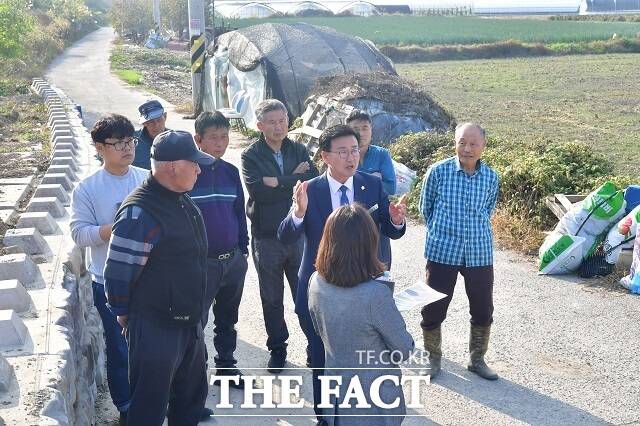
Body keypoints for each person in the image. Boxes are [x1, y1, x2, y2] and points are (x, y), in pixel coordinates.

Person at [278, 124, 407, 423]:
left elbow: (388, 230)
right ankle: (326, 416)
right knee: (323, 357)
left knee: (367, 360)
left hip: (367, 291)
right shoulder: (309, 189)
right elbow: (284, 236)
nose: (351, 157)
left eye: (355, 150)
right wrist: (298, 213)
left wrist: (396, 222)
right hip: (323, 293)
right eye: (343, 152)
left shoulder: (371, 185)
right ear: (325, 156)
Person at [104, 130, 215, 425]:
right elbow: (117, 274)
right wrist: (126, 316)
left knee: (190, 403)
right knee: (149, 410)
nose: (198, 168)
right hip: (155, 329)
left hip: (188, 325)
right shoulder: (140, 212)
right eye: (193, 163)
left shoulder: (181, 200)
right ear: (171, 167)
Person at [70, 114, 148, 426]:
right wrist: (113, 229)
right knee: (119, 348)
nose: (128, 148)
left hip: (148, 279)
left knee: (153, 346)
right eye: (119, 143)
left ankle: (154, 400)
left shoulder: (146, 179)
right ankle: (127, 407)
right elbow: (79, 234)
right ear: (101, 148)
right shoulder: (87, 189)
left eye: (131, 141)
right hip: (109, 281)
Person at [308, 204, 414, 425]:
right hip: (374, 404)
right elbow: (403, 349)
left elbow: (319, 330)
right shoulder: (375, 294)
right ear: (369, 242)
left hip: (336, 398)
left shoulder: (315, 282)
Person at [241, 99, 318, 372]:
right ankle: (277, 348)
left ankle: (314, 345)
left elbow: (311, 181)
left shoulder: (297, 148)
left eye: (282, 121)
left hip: (298, 235)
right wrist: (291, 179)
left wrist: (278, 181)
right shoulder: (251, 155)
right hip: (267, 236)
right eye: (271, 122)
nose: (278, 126)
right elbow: (258, 192)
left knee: (306, 294)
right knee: (272, 298)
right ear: (260, 125)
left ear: (289, 121)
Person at [419, 122, 500, 381]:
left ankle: (477, 359)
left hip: (478, 251)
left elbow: (488, 209)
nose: (466, 148)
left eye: (473, 143)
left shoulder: (491, 177)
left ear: (483, 147)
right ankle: (432, 359)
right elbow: (426, 208)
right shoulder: (438, 171)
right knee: (433, 306)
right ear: (454, 143)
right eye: (462, 142)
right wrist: (443, 232)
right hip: (443, 249)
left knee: (483, 307)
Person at [190, 111, 249, 387]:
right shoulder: (189, 173)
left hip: (232, 261)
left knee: (227, 320)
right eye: (213, 138)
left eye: (224, 137)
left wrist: (243, 250)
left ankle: (226, 367)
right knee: (196, 323)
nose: (220, 143)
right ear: (198, 139)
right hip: (202, 264)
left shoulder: (230, 172)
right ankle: (195, 375)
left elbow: (239, 212)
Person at [346, 110, 396, 269]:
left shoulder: (382, 154)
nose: (361, 132)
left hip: (376, 221)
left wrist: (360, 181)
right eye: (356, 128)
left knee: (379, 271)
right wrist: (373, 179)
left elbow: (390, 186)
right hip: (348, 222)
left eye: (365, 128)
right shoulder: (341, 155)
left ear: (371, 129)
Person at [133, 99, 167, 170]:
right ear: (144, 123)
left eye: (159, 120)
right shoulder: (131, 141)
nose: (156, 125)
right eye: (151, 121)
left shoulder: (177, 140)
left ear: (165, 117)